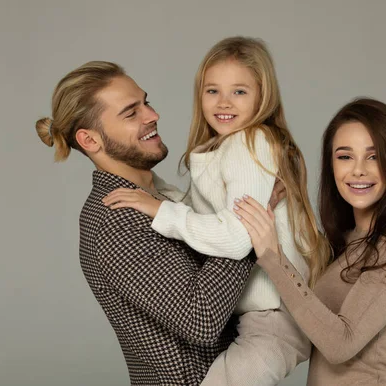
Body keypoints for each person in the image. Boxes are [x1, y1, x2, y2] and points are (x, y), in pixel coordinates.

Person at [102, 36, 328, 385]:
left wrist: (162, 212)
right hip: (260, 317)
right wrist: (158, 195)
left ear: (262, 96)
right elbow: (205, 214)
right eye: (212, 91)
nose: (224, 102)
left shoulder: (250, 142)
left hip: (277, 317)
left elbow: (237, 239)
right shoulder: (222, 148)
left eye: (239, 91)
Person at [34, 61, 260, 385]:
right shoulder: (117, 222)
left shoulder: (155, 198)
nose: (152, 116)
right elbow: (202, 318)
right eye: (130, 113)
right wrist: (247, 223)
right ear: (90, 140)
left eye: (146, 102)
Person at [234, 98, 386, 385]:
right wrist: (280, 203)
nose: (358, 170)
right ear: (331, 165)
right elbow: (309, 317)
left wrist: (274, 257)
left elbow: (339, 344)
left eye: (374, 157)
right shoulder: (348, 243)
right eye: (345, 156)